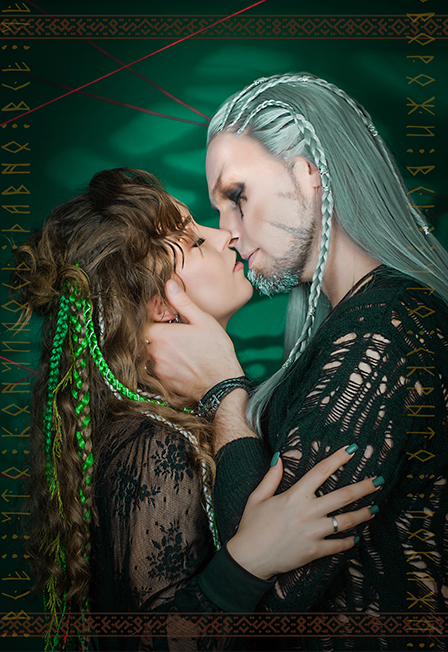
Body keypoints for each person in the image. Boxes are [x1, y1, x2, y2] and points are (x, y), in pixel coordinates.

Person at [16, 167, 380, 652]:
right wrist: (249, 560)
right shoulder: (151, 445)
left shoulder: (176, 422)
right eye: (192, 240)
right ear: (158, 304)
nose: (226, 234)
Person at [147, 74, 448, 651]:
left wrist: (223, 389)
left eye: (237, 196)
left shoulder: (386, 329)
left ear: (309, 174)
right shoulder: (343, 326)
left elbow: (275, 591)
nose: (227, 231)